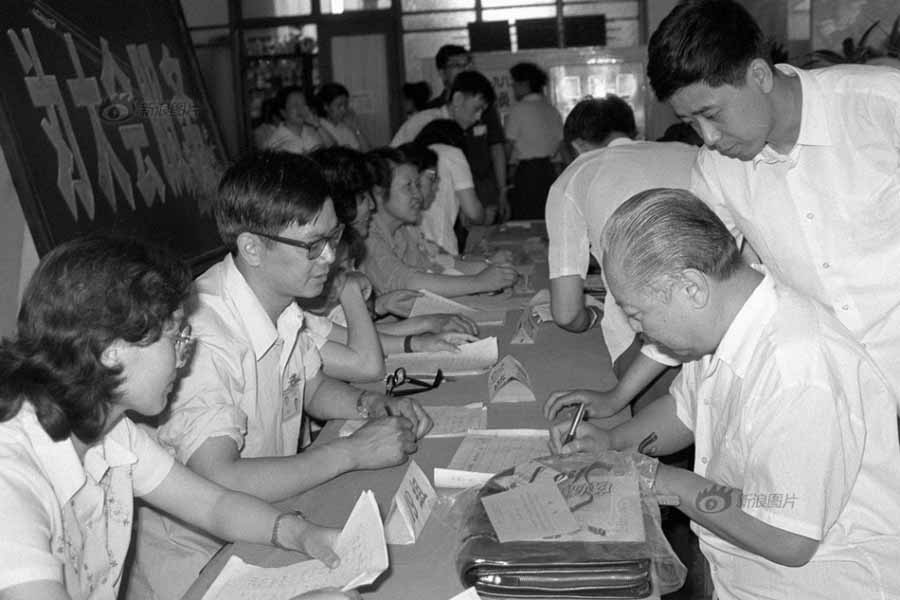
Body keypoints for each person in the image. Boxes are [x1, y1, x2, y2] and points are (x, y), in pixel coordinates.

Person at [552, 188, 900, 599]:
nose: (639, 332)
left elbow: (786, 536)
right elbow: (685, 411)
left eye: (636, 313)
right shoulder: (725, 326)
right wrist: (613, 441)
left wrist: (665, 481)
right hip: (742, 569)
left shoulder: (797, 370)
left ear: (691, 288)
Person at [129, 152, 432, 600]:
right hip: (201, 563)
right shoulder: (204, 333)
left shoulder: (281, 300)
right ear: (252, 246)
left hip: (274, 521)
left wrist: (371, 405)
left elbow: (309, 387)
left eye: (333, 237)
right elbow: (219, 478)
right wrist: (349, 453)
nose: (329, 257)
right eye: (313, 245)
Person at [0, 235, 355, 600]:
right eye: (175, 337)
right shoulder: (11, 479)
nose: (184, 357)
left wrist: (301, 534)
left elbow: (214, 505)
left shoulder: (110, 431)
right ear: (112, 350)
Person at [638, 0, 900, 405]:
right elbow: (693, 273)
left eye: (711, 114)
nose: (707, 137)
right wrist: (620, 395)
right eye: (692, 123)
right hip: (834, 394)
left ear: (758, 75)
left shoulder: (881, 106)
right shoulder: (717, 168)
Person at [543, 96, 697, 421]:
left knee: (651, 444)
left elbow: (567, 313)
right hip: (717, 338)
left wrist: (591, 317)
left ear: (577, 144)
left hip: (647, 347)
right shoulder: (691, 154)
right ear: (632, 129)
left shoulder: (574, 176)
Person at [360, 146, 518, 297]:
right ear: (378, 192)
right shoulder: (367, 236)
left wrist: (487, 268)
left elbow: (431, 267)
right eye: (408, 186)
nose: (418, 196)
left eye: (417, 185)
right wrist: (479, 282)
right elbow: (407, 282)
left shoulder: (401, 231)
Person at [415, 44, 510, 222]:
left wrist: (502, 190)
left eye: (467, 64)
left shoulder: (482, 109)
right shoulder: (426, 117)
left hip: (480, 190)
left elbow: (496, 148)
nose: (464, 69)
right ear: (442, 73)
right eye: (457, 65)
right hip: (435, 201)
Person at [414, 119, 484, 255]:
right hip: (440, 243)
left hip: (416, 245)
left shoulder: (414, 153)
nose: (436, 187)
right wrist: (485, 216)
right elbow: (473, 212)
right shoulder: (452, 153)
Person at [504, 62, 563, 220]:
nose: (513, 88)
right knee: (545, 217)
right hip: (549, 170)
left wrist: (503, 173)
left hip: (527, 172)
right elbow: (560, 144)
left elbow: (508, 146)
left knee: (525, 217)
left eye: (515, 83)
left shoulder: (519, 109)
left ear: (525, 84)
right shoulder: (551, 109)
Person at [263, 86, 334, 154]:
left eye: (303, 104)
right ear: (283, 112)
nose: (301, 109)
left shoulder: (313, 130)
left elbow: (334, 150)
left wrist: (317, 125)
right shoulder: (276, 142)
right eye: (295, 105)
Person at [315, 82, 370, 151]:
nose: (344, 110)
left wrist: (356, 128)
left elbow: (367, 152)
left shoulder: (345, 126)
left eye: (346, 105)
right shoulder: (319, 125)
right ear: (326, 106)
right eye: (339, 105)